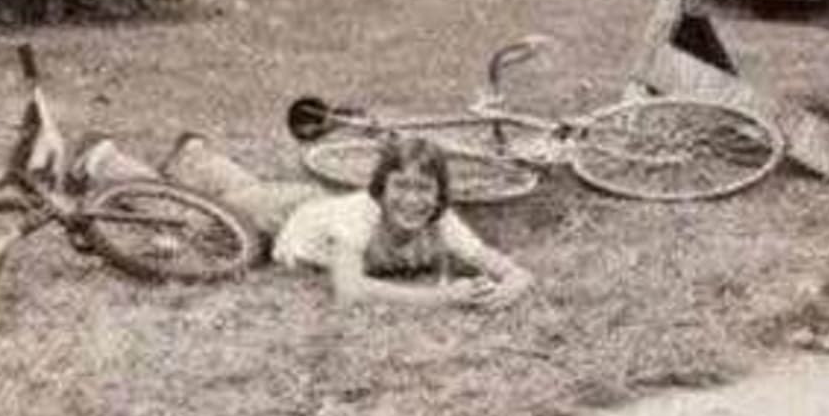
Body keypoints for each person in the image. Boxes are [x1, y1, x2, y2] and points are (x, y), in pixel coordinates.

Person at [75, 132, 531, 310]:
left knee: (240, 192)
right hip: (281, 219)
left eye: (424, 190)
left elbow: (508, 267)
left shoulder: (443, 220)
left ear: (440, 194)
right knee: (187, 218)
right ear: (380, 188)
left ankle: (194, 155)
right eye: (401, 188)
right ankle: (104, 159)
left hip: (303, 207)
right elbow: (349, 291)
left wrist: (511, 285)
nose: (413, 201)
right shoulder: (361, 216)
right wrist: (445, 297)